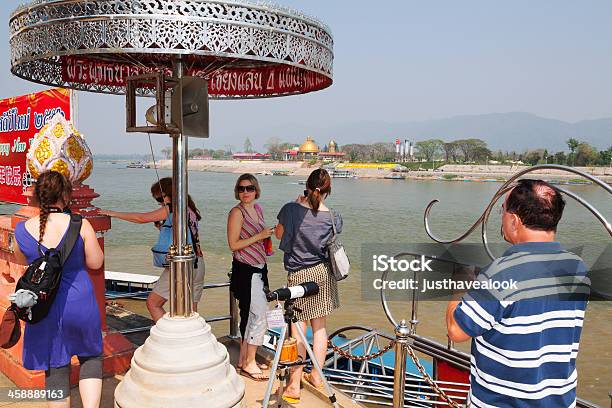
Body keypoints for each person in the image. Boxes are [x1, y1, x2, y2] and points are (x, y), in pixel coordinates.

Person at [446, 179, 589, 407]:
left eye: (502, 210)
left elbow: (457, 331)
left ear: (514, 220)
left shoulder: (501, 272)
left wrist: (461, 286)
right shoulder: (577, 266)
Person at [13, 171, 104, 408]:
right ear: (65, 195)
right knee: (90, 357)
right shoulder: (80, 223)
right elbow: (96, 263)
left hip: (44, 306)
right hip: (80, 302)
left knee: (55, 366)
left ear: (37, 196)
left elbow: (22, 262)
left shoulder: (22, 229)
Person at [275, 168, 342, 402]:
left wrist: (296, 205)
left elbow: (279, 236)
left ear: (307, 185)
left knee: (298, 329)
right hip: (323, 273)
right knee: (320, 328)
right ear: (328, 190)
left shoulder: (291, 209)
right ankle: (316, 374)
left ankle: (294, 384)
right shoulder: (333, 217)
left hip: (299, 274)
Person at [100, 177, 205, 321]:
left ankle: (169, 336)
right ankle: (190, 339)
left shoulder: (173, 208)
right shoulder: (190, 210)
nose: (161, 203)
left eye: (161, 199)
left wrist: (111, 213)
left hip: (181, 264)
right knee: (190, 311)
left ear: (170, 194)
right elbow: (186, 237)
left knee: (153, 303)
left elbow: (141, 218)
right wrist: (163, 228)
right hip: (198, 263)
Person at [227, 174, 274, 381]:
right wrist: (259, 236)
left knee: (250, 315)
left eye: (249, 188)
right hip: (245, 270)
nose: (245, 192)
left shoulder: (257, 209)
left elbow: (262, 236)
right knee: (259, 314)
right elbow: (233, 244)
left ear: (256, 190)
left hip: (259, 268)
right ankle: (248, 362)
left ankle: (245, 359)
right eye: (241, 188)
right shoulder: (237, 213)